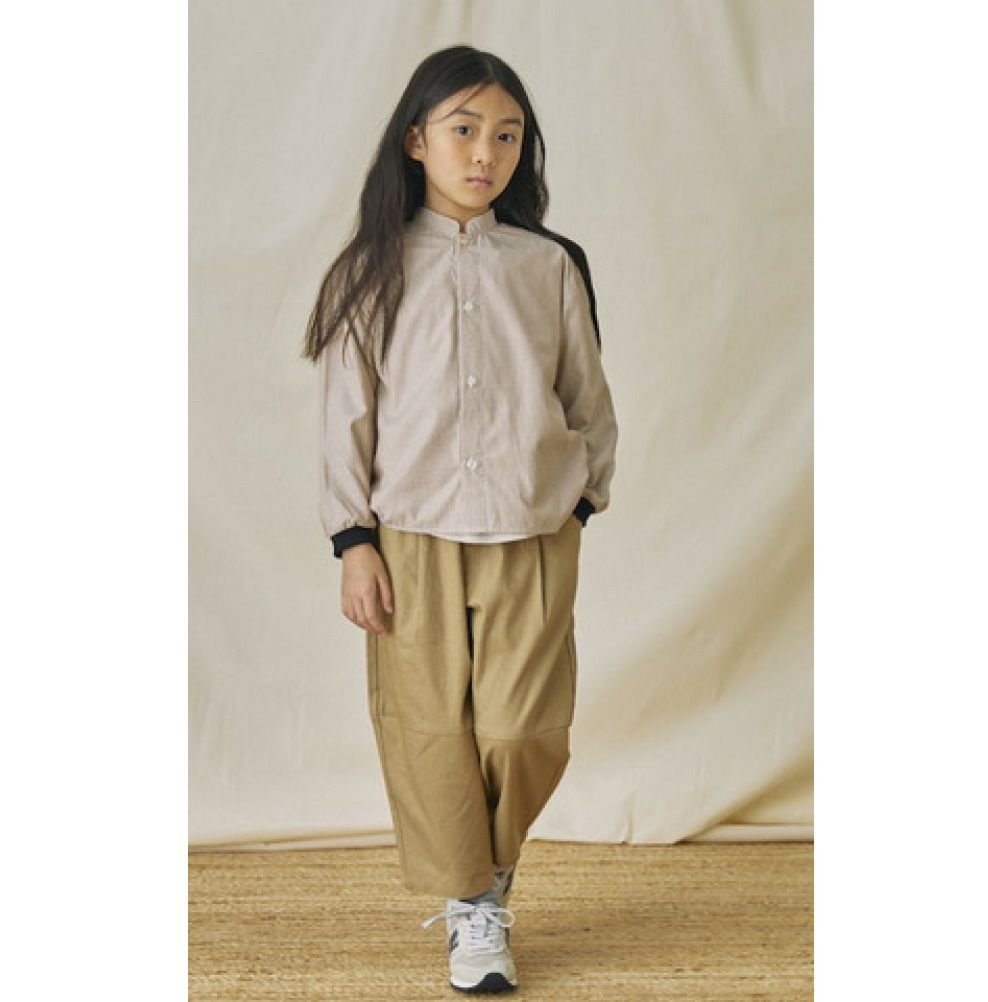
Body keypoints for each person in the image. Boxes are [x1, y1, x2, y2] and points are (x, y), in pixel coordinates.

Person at [302, 45, 618, 995]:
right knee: (430, 729)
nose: (487, 153)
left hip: (532, 531)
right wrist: (354, 541)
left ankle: (486, 869)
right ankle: (476, 908)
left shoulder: (551, 266)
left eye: (508, 135)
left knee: (524, 729)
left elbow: (588, 400)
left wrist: (579, 504)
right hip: (412, 534)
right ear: (416, 140)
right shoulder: (370, 270)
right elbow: (345, 417)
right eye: (465, 129)